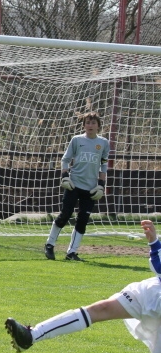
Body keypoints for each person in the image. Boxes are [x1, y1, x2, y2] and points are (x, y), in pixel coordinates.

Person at [7, 219, 161, 353]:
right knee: (100, 309)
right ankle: (31, 336)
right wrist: (155, 242)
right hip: (154, 291)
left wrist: (154, 243)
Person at [43, 111, 110, 261]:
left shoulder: (104, 143)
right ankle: (49, 244)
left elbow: (103, 166)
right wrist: (65, 176)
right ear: (84, 125)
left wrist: (101, 185)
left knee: (83, 220)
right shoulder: (76, 140)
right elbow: (65, 160)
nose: (90, 125)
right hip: (73, 185)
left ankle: (71, 252)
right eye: (87, 122)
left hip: (91, 188)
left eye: (93, 123)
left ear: (98, 126)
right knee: (65, 215)